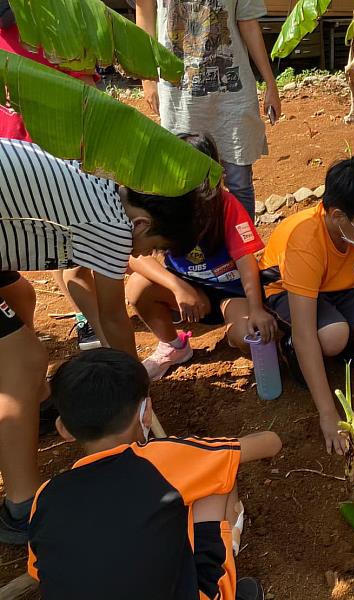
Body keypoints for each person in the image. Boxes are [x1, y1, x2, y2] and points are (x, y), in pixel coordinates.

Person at [0, 138, 208, 544]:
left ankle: (37, 404)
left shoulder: (104, 182)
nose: (146, 254)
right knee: (24, 358)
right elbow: (114, 317)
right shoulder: (114, 226)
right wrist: (135, 393)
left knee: (21, 296)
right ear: (144, 225)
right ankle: (21, 510)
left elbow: (82, 281)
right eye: (155, 248)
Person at [28, 348, 282, 599]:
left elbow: (40, 571)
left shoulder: (46, 496)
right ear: (146, 412)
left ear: (63, 429)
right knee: (216, 478)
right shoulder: (161, 459)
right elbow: (270, 442)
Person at [259, 156, 354, 455]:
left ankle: (344, 333)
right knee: (332, 336)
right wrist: (328, 414)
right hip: (289, 290)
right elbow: (306, 331)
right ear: (337, 216)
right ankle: (290, 348)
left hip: (342, 285)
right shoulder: (305, 240)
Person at [126, 134, 277, 381]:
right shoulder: (162, 204)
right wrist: (178, 287)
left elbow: (245, 260)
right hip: (190, 290)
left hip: (231, 292)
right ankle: (174, 347)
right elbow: (134, 254)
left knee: (245, 338)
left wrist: (257, 308)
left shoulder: (226, 205)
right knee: (136, 287)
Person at [0, 4, 105, 351]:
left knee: (81, 235)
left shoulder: (57, 19)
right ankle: (86, 318)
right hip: (18, 153)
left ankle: (99, 317)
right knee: (59, 242)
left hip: (67, 139)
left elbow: (86, 81)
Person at [135, 0, 281, 219]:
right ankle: (193, 250)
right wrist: (147, 78)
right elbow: (144, 14)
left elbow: (248, 23)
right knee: (183, 181)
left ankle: (243, 248)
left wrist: (271, 83)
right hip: (180, 97)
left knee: (239, 181)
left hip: (232, 94)